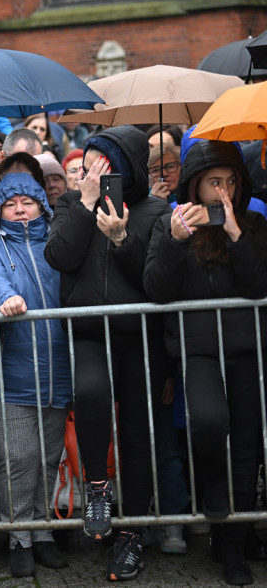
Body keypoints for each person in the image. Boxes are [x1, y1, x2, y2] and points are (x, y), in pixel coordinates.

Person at [44, 125, 171, 582]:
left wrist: (121, 238)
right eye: (88, 166)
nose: (94, 174)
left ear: (128, 169)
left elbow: (156, 280)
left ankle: (131, 535)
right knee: (92, 393)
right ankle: (97, 487)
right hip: (89, 332)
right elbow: (60, 257)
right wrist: (84, 205)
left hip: (139, 336)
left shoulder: (155, 211)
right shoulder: (70, 204)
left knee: (137, 434)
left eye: (105, 167)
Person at [144, 140, 267, 586]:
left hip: (246, 347)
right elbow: (156, 289)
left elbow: (258, 287)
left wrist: (236, 236)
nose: (224, 192)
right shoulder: (169, 223)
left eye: (231, 182)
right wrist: (176, 240)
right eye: (215, 182)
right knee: (209, 423)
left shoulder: (252, 224)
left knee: (247, 444)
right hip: (197, 349)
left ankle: (231, 543)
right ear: (195, 185)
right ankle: (216, 501)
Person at [0, 173, 70, 578]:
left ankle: (43, 533)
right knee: (19, 458)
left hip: (59, 373)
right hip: (10, 377)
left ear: (41, 206)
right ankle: (19, 538)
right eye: (10, 204)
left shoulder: (58, 244)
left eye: (27, 202)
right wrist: (6, 297)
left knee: (48, 459)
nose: (20, 210)